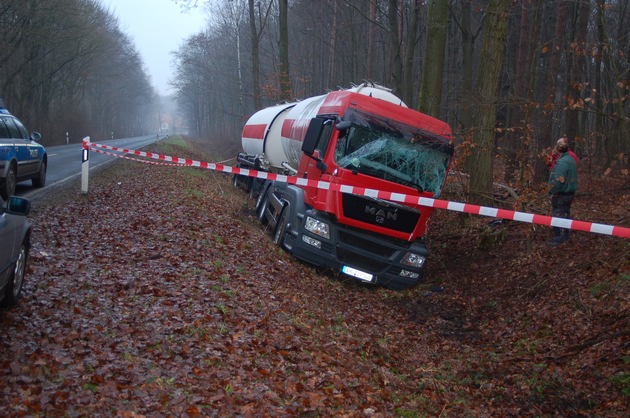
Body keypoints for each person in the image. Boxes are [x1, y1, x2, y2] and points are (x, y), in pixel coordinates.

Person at [547, 138, 578, 246]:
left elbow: (558, 181)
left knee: (558, 213)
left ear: (559, 148)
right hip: (568, 192)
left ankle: (560, 236)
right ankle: (564, 234)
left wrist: (552, 192)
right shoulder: (570, 160)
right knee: (565, 213)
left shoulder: (563, 162)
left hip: (562, 193)